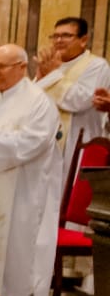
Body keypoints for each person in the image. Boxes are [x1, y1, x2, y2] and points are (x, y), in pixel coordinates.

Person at [0, 45, 62, 296]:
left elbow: (34, 141)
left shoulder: (38, 101)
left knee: (18, 241)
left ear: (21, 67)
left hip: (24, 187)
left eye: (2, 66)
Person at [34, 16, 110, 182]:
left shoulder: (96, 65)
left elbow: (80, 100)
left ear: (83, 40)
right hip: (47, 144)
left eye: (66, 36)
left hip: (78, 143)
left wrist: (51, 77)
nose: (59, 40)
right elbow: (33, 100)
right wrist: (40, 77)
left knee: (69, 194)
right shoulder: (52, 65)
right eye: (56, 36)